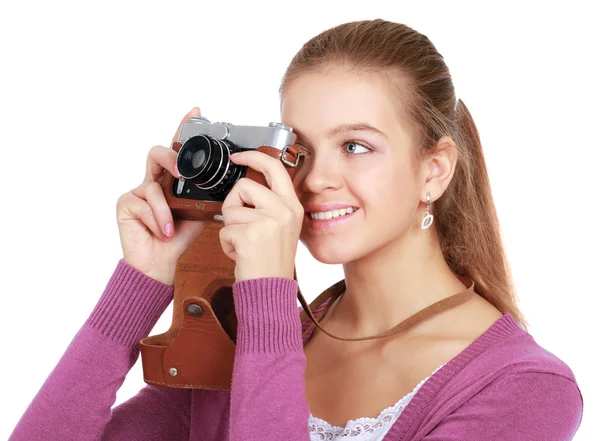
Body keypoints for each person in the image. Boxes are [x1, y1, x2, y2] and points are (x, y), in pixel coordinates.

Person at [9, 19, 583, 441]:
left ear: (434, 169)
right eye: (300, 150)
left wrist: (269, 298)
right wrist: (144, 278)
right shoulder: (244, 341)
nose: (314, 181)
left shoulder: (525, 390)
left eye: (355, 146)